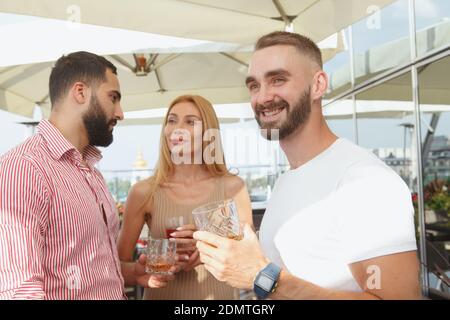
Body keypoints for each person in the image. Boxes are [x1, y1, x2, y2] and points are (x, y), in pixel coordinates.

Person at [194, 32, 422, 300]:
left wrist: (262, 276)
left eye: (278, 80)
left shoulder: (364, 180)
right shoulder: (286, 180)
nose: (263, 97)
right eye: (254, 85)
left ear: (318, 84)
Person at [0, 51, 173, 299]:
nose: (120, 113)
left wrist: (132, 272)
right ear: (80, 92)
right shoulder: (23, 169)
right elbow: (19, 290)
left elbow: (88, 266)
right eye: (113, 98)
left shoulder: (90, 171)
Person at [117, 94, 253, 300]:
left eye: (190, 122)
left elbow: (249, 259)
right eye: (172, 120)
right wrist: (149, 265)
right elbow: (117, 267)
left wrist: (208, 247)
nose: (177, 128)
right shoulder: (143, 192)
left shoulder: (233, 188)